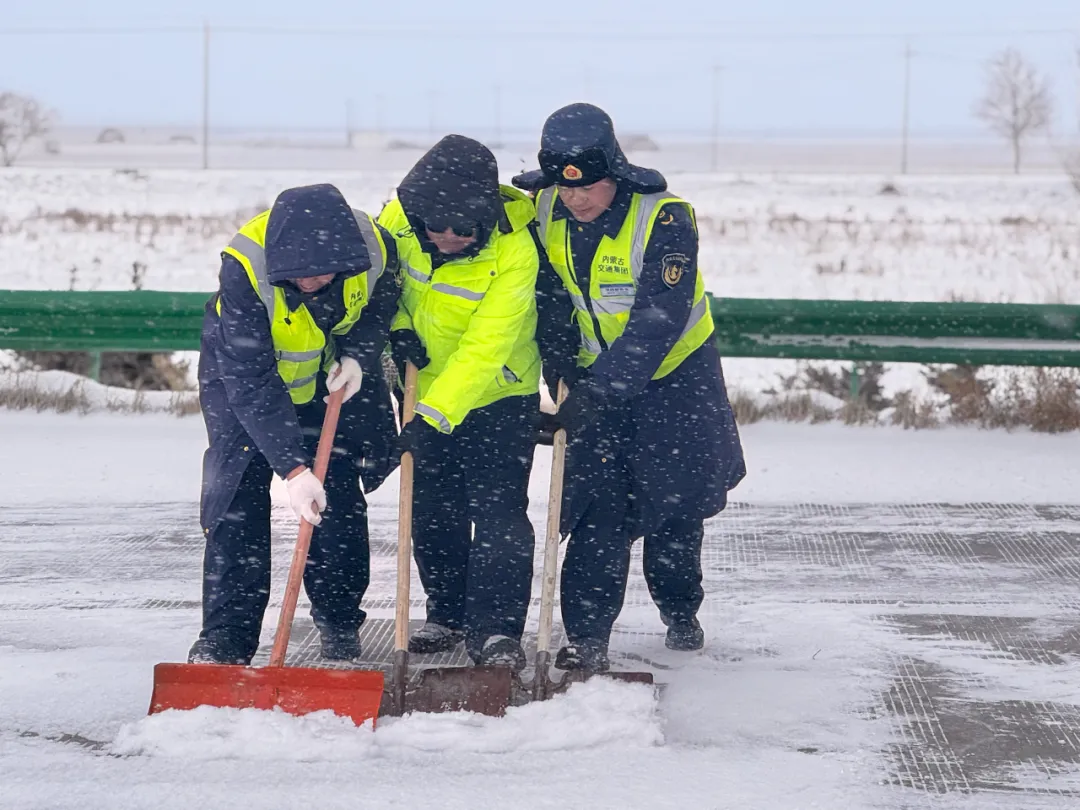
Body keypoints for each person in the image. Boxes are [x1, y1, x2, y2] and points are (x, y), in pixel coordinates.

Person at [514, 103, 747, 672]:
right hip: (593, 377)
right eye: (565, 187)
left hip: (674, 382)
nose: (576, 199)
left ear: (615, 171)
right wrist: (563, 368)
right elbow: (546, 296)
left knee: (673, 508)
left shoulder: (665, 219)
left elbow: (658, 317)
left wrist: (605, 389)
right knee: (597, 509)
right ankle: (587, 639)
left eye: (589, 186)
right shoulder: (541, 209)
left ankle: (679, 609)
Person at [189, 183, 399, 666]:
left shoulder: (375, 250)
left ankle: (339, 620)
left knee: (337, 498)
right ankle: (225, 640)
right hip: (242, 381)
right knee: (235, 500)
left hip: (326, 384)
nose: (310, 284)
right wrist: (292, 469)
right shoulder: (246, 266)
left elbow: (380, 308)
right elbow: (251, 379)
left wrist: (357, 356)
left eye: (322, 273)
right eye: (298, 276)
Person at [378, 134, 541, 670]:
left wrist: (433, 418)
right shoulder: (398, 223)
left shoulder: (514, 251)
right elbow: (388, 289)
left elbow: (486, 348)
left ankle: (496, 630)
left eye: (462, 230)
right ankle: (445, 613)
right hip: (421, 388)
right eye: (436, 226)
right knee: (432, 510)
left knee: (498, 515)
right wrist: (399, 330)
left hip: (498, 394)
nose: (447, 238)